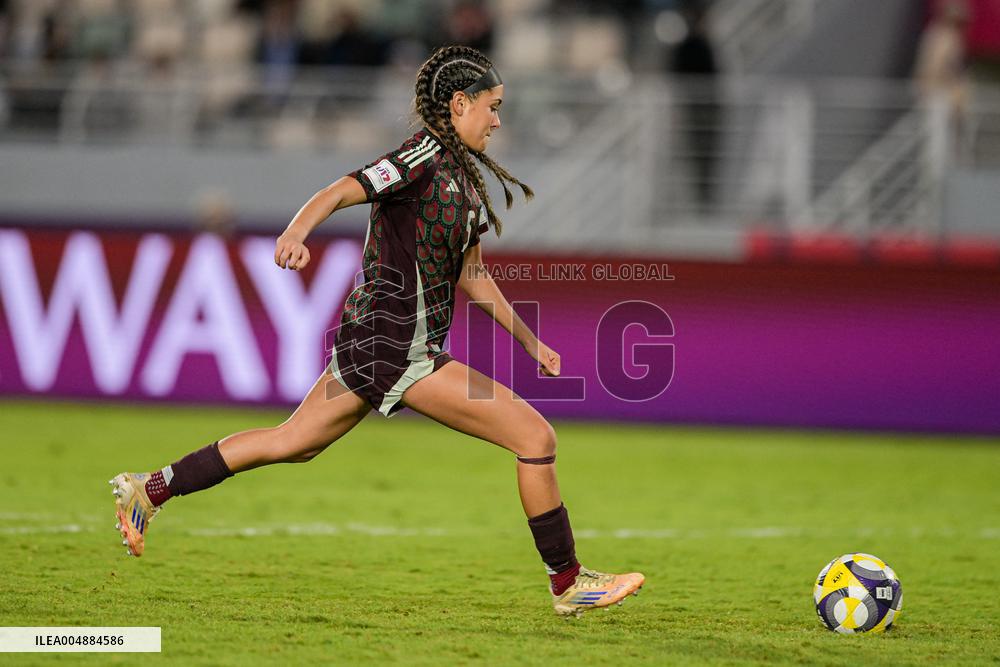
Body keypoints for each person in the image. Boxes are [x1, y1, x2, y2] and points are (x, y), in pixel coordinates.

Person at [109, 45, 644, 617]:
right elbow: (340, 190)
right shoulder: (421, 158)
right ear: (459, 104)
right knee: (535, 439)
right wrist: (296, 232)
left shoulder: (461, 181)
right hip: (397, 349)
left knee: (294, 441)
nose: (497, 120)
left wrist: (530, 342)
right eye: (492, 107)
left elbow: (473, 274)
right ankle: (567, 584)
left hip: (374, 342)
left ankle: (152, 487)